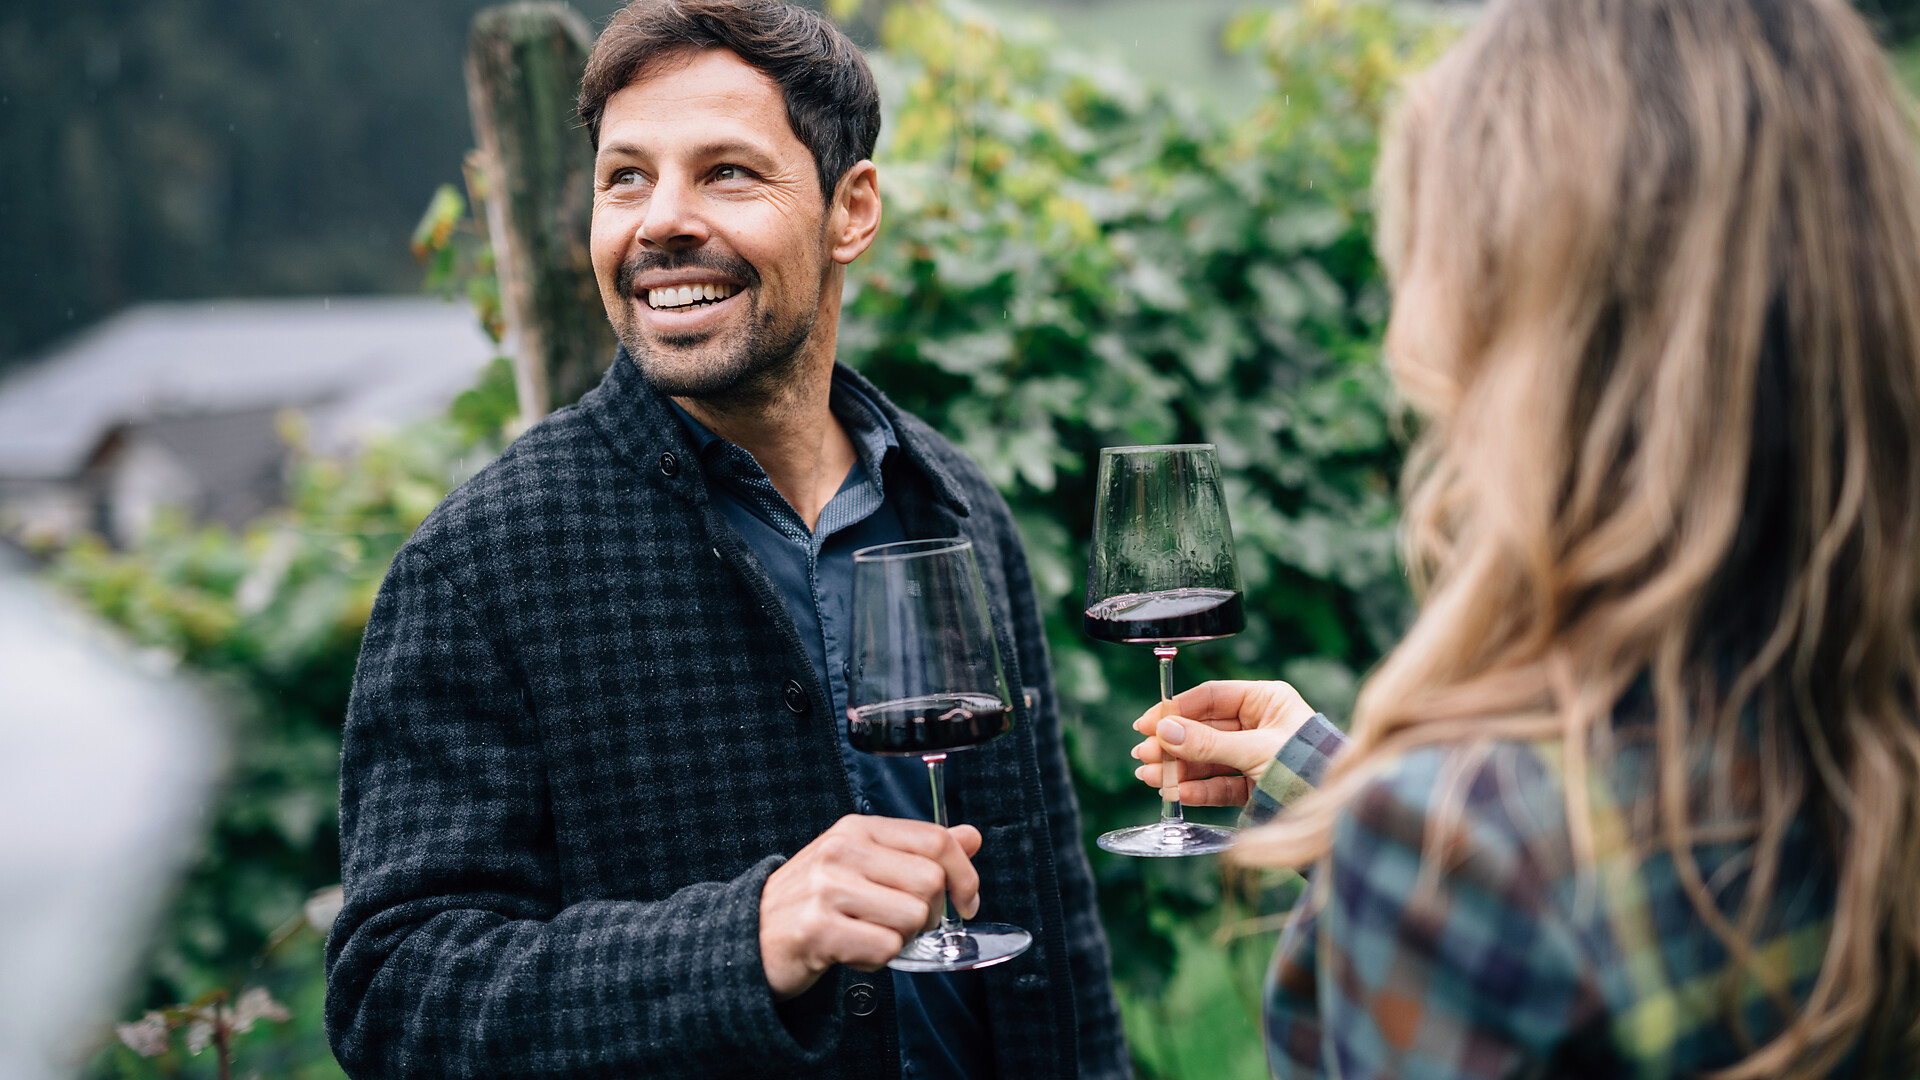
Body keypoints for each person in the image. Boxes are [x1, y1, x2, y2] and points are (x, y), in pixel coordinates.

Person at [322, 2, 1127, 1077]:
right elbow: (395, 996)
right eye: (626, 178)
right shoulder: (478, 570)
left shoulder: (957, 508)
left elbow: (1054, 923)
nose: (661, 221)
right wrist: (748, 938)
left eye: (727, 173)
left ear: (851, 210)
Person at [1129, 0, 1920, 1076]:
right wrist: (1329, 771)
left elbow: (1515, 871)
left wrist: (1411, 825)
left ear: (1525, 329)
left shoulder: (1466, 856)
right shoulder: (1855, 717)